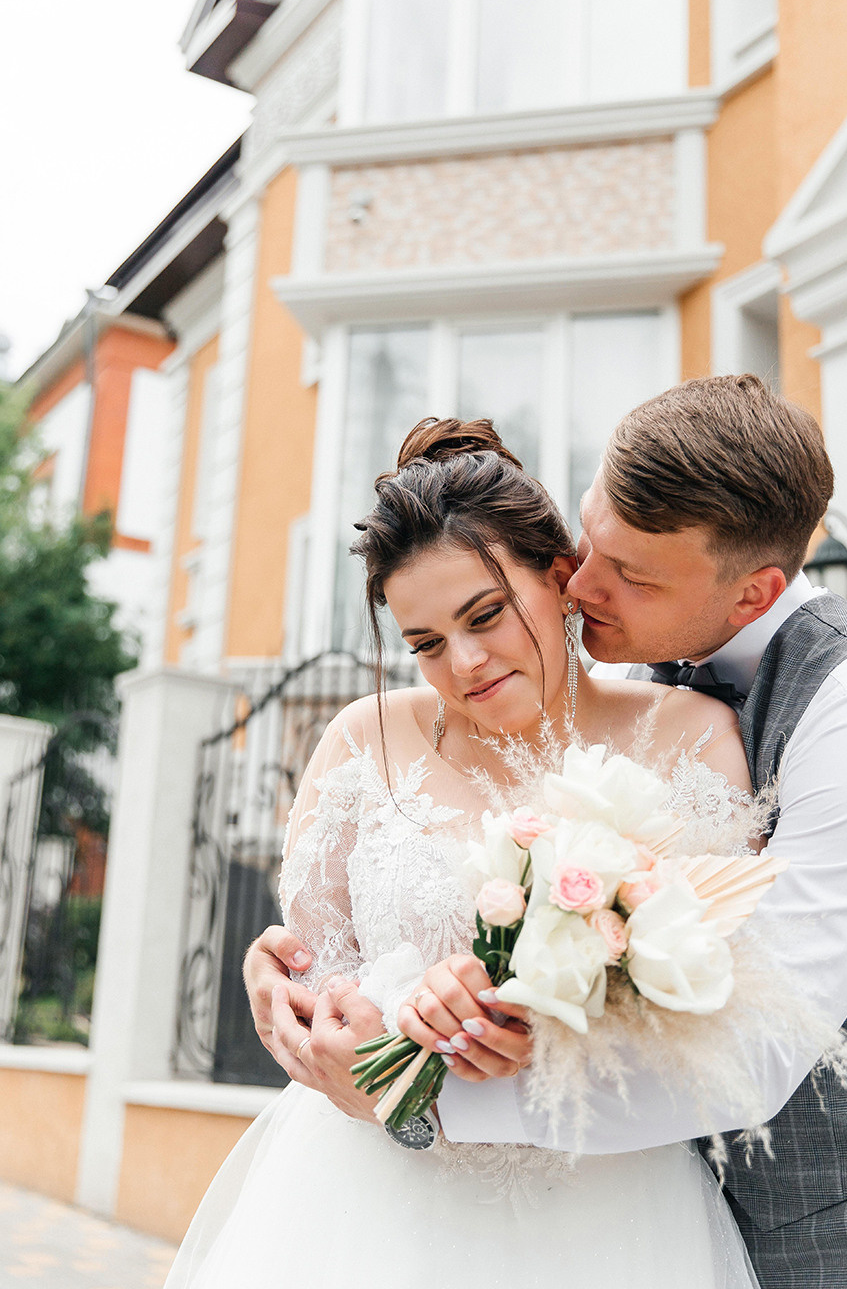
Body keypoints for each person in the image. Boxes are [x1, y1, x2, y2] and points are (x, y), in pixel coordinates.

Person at [248, 377, 847, 1288]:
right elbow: (327, 959)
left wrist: (418, 1097)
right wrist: (301, 983)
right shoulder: (651, 659)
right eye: (587, 540)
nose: (580, 584)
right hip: (396, 1208)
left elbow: (749, 1050)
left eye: (632, 575)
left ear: (750, 593)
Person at [165, 416, 763, 1288]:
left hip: (606, 1213)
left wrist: (549, 1020)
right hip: (365, 1202)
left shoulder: (689, 738)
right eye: (425, 644)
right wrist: (301, 1000)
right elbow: (321, 981)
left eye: (485, 614)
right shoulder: (362, 741)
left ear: (562, 577)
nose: (467, 662)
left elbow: (724, 1005)